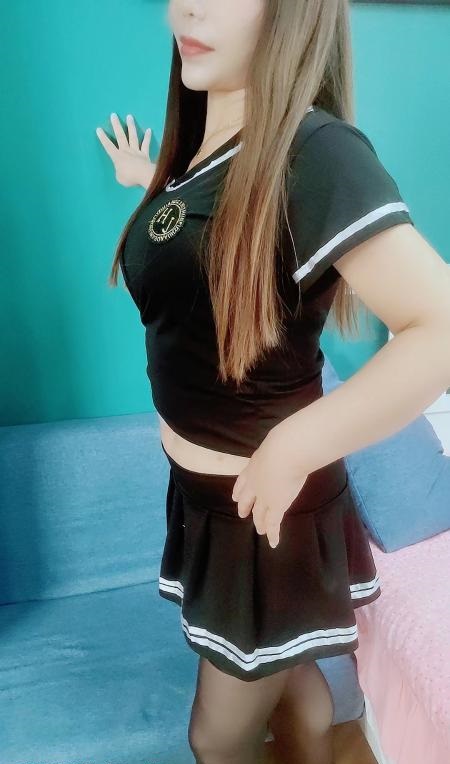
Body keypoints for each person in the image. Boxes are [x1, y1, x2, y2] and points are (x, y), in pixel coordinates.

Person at [96, 2, 450, 762]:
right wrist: (145, 181)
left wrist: (297, 444)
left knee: (215, 738)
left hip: (263, 514)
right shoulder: (203, 153)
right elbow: (205, 254)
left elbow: (441, 327)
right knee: (286, 681)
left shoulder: (317, 152)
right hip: (208, 498)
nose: (188, 7)